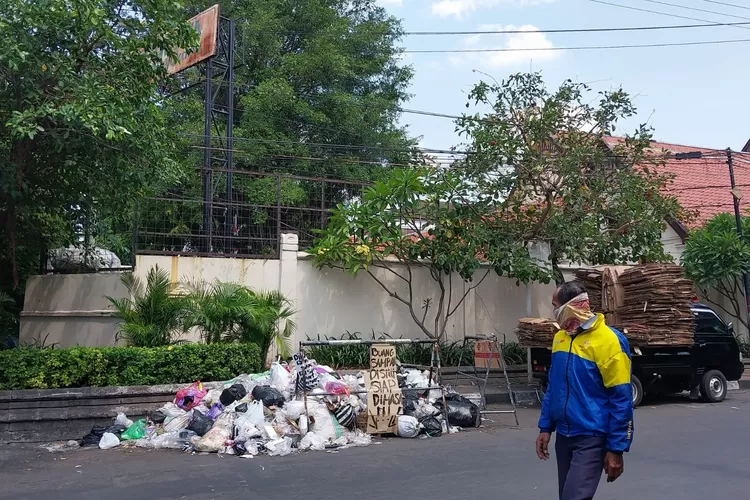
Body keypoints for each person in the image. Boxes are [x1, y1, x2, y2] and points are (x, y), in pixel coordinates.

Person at [536, 281, 634, 500]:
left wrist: (616, 449)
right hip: (564, 436)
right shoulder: (560, 338)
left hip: (591, 437)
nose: (553, 313)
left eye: (555, 306)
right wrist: (545, 427)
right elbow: (554, 386)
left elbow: (621, 399)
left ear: (569, 307)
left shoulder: (610, 341)